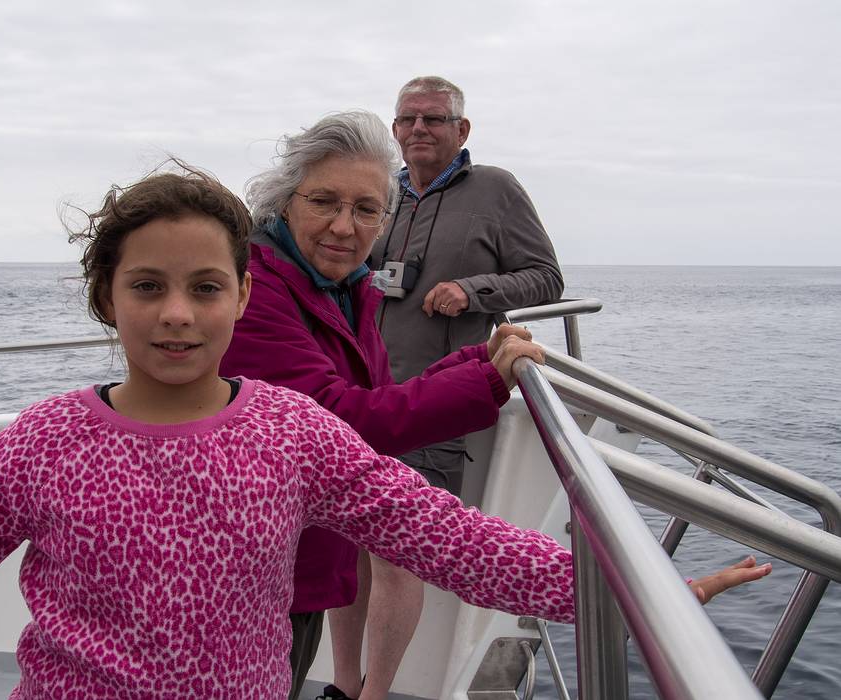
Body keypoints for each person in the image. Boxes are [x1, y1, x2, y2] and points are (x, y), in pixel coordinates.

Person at [217, 112, 769, 700]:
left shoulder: (343, 287)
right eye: (324, 201)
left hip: (293, 571)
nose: (345, 226)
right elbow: (342, 424)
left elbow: (425, 504)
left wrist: (482, 364)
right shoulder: (259, 293)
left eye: (367, 209)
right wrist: (483, 383)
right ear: (284, 202)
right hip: (265, 583)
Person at [371, 75, 564, 496]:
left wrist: (472, 291)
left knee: (420, 536)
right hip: (364, 396)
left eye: (434, 118)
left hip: (435, 400)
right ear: (395, 130)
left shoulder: (496, 189)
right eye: (408, 119)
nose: (418, 128)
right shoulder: (381, 192)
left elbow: (547, 278)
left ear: (462, 129)